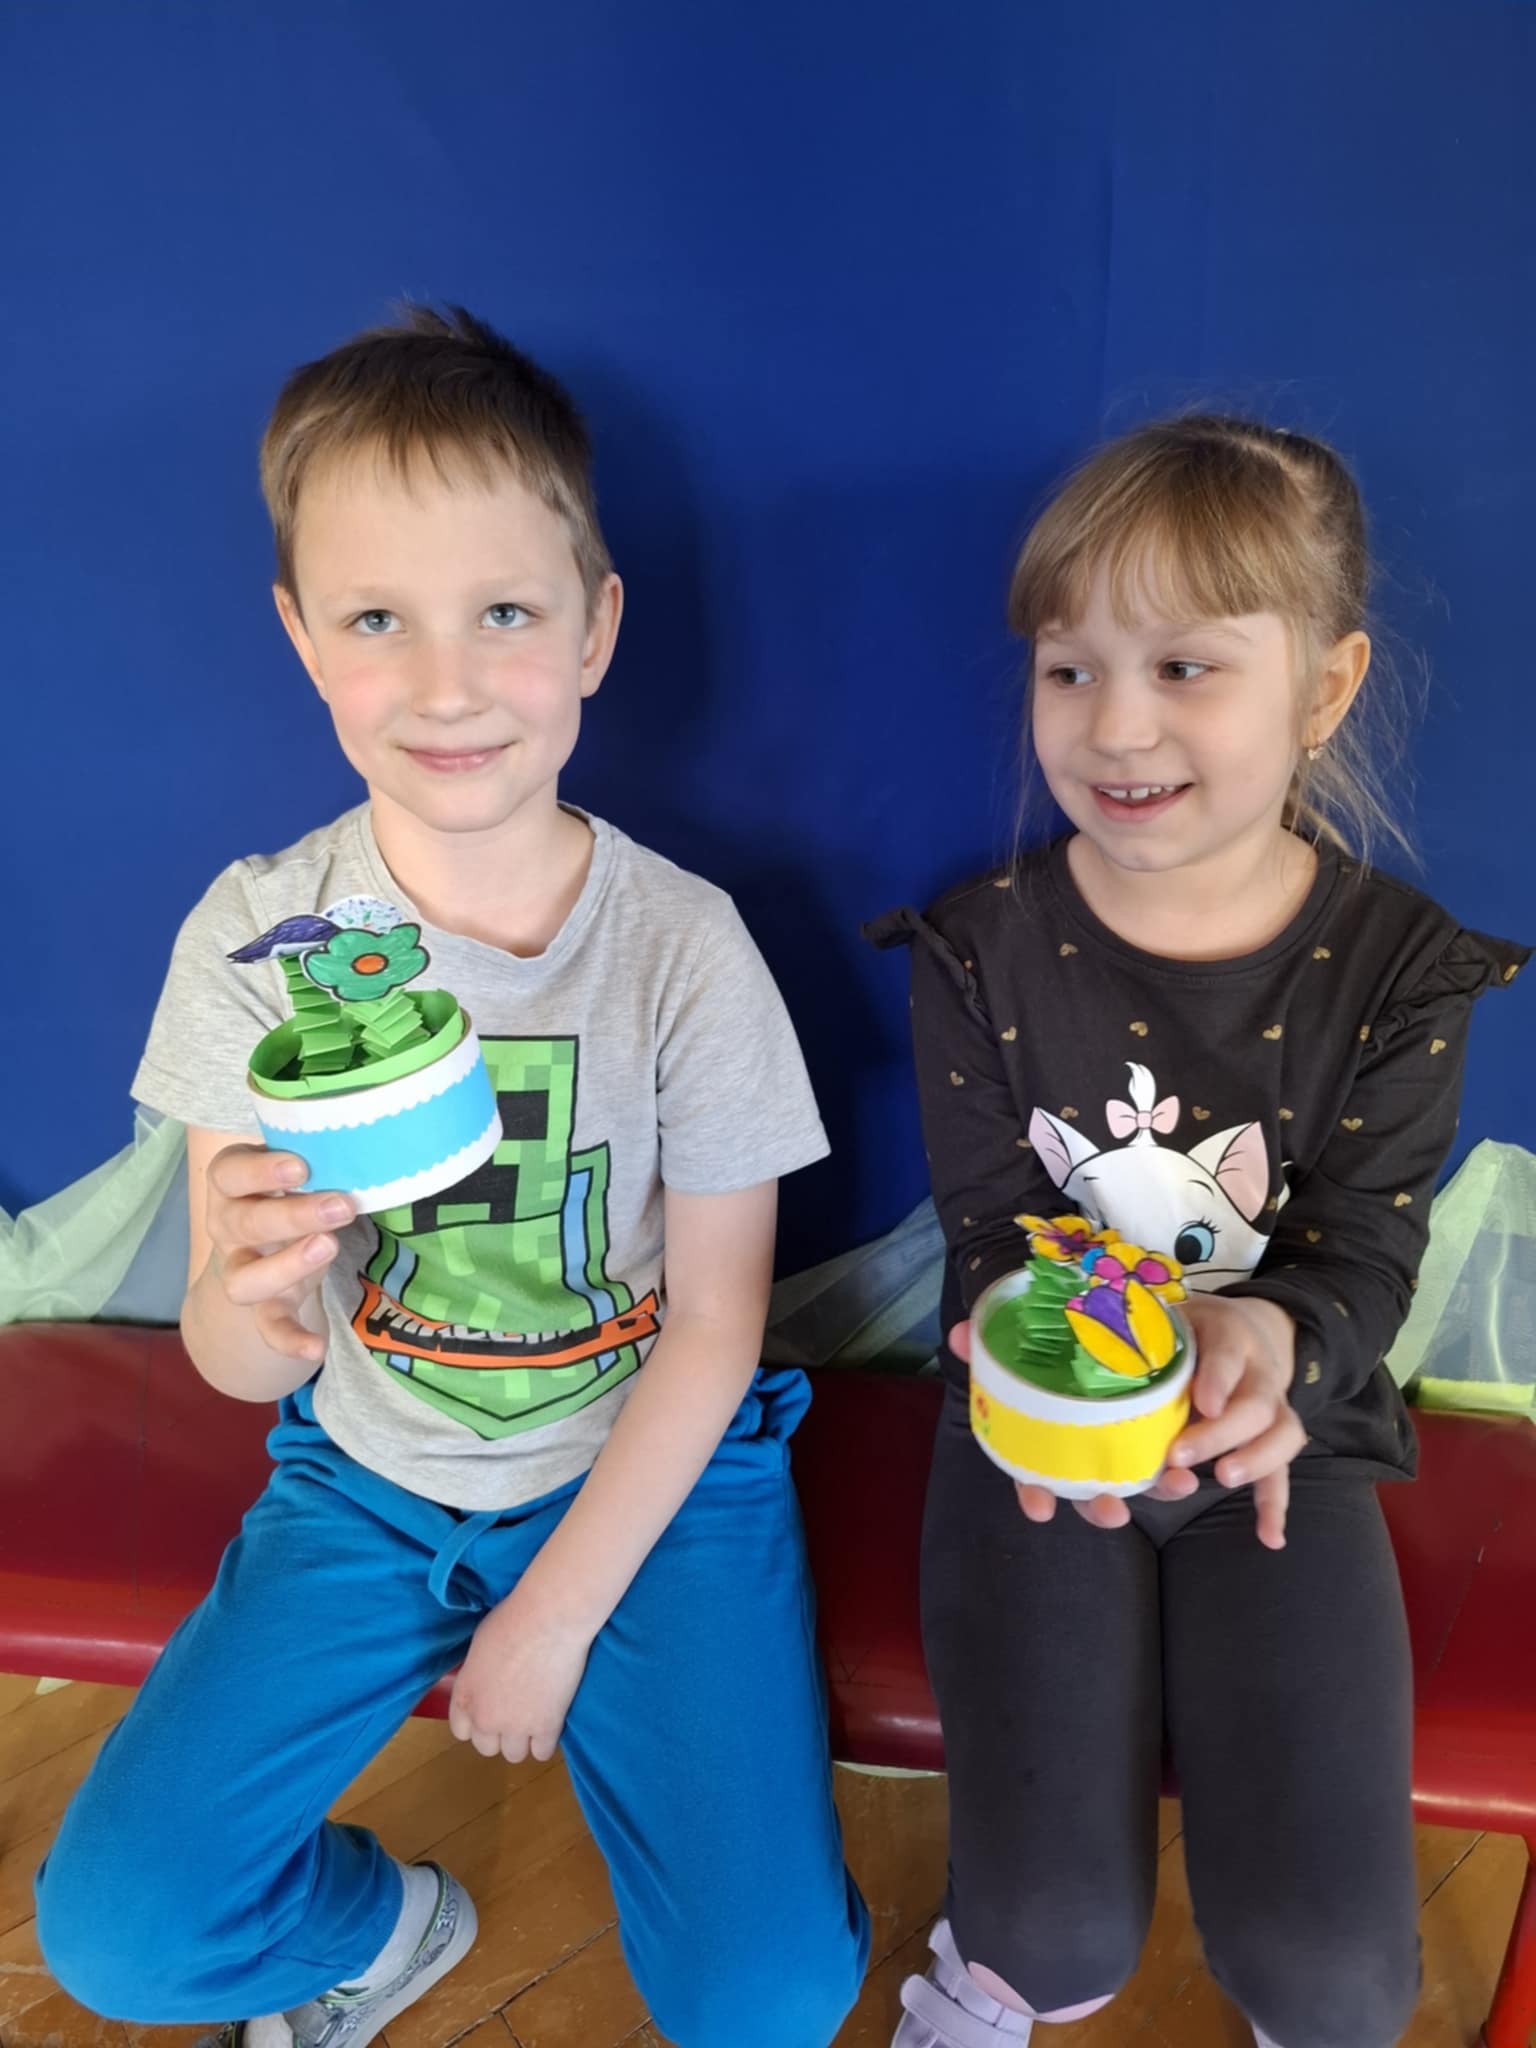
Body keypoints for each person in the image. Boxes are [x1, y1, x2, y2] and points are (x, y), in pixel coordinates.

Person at [37, 304, 869, 2048]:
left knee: (770, 2003)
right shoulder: (259, 935)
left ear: (594, 629)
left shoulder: (683, 950)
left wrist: (554, 1620)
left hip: (653, 1478)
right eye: (376, 621)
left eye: (503, 613)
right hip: (368, 1473)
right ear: (301, 638)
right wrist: (248, 1294)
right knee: (120, 1938)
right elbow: (241, 1361)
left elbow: (717, 1330)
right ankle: (383, 1926)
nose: (444, 684)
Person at [867, 415, 1528, 2048]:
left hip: (1283, 1449)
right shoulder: (978, 950)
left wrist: (1269, 1341)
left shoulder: (1401, 969)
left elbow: (1367, 1251)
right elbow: (989, 1229)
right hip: (1039, 1429)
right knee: (1050, 1943)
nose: (1117, 723)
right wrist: (1070, 1370)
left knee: (1334, 1978)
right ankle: (986, 1978)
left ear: (1325, 687)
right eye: (1070, 668)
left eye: (1185, 666)